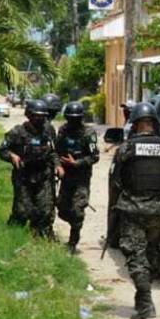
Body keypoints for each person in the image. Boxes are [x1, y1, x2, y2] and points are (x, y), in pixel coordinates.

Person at [109, 102, 160, 319]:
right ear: (154, 124)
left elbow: (116, 180)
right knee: (152, 252)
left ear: (135, 124)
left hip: (131, 209)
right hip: (156, 210)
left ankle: (145, 303)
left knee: (135, 254)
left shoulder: (126, 148)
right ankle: (143, 298)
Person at [0, 98, 62, 238]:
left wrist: (57, 166)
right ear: (29, 115)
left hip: (44, 175)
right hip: (23, 176)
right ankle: (13, 235)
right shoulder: (17, 132)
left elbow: (53, 151)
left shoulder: (48, 130)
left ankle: (42, 237)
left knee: (45, 209)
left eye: (42, 116)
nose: (40, 119)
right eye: (36, 116)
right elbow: (2, 150)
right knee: (22, 211)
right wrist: (11, 156)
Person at [56, 101, 99, 254]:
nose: (72, 122)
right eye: (70, 118)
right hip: (66, 177)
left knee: (77, 210)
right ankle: (74, 223)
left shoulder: (89, 134)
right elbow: (55, 152)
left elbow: (94, 156)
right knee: (61, 209)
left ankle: (72, 242)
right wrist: (58, 166)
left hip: (81, 178)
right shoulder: (62, 130)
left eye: (76, 119)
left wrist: (77, 163)